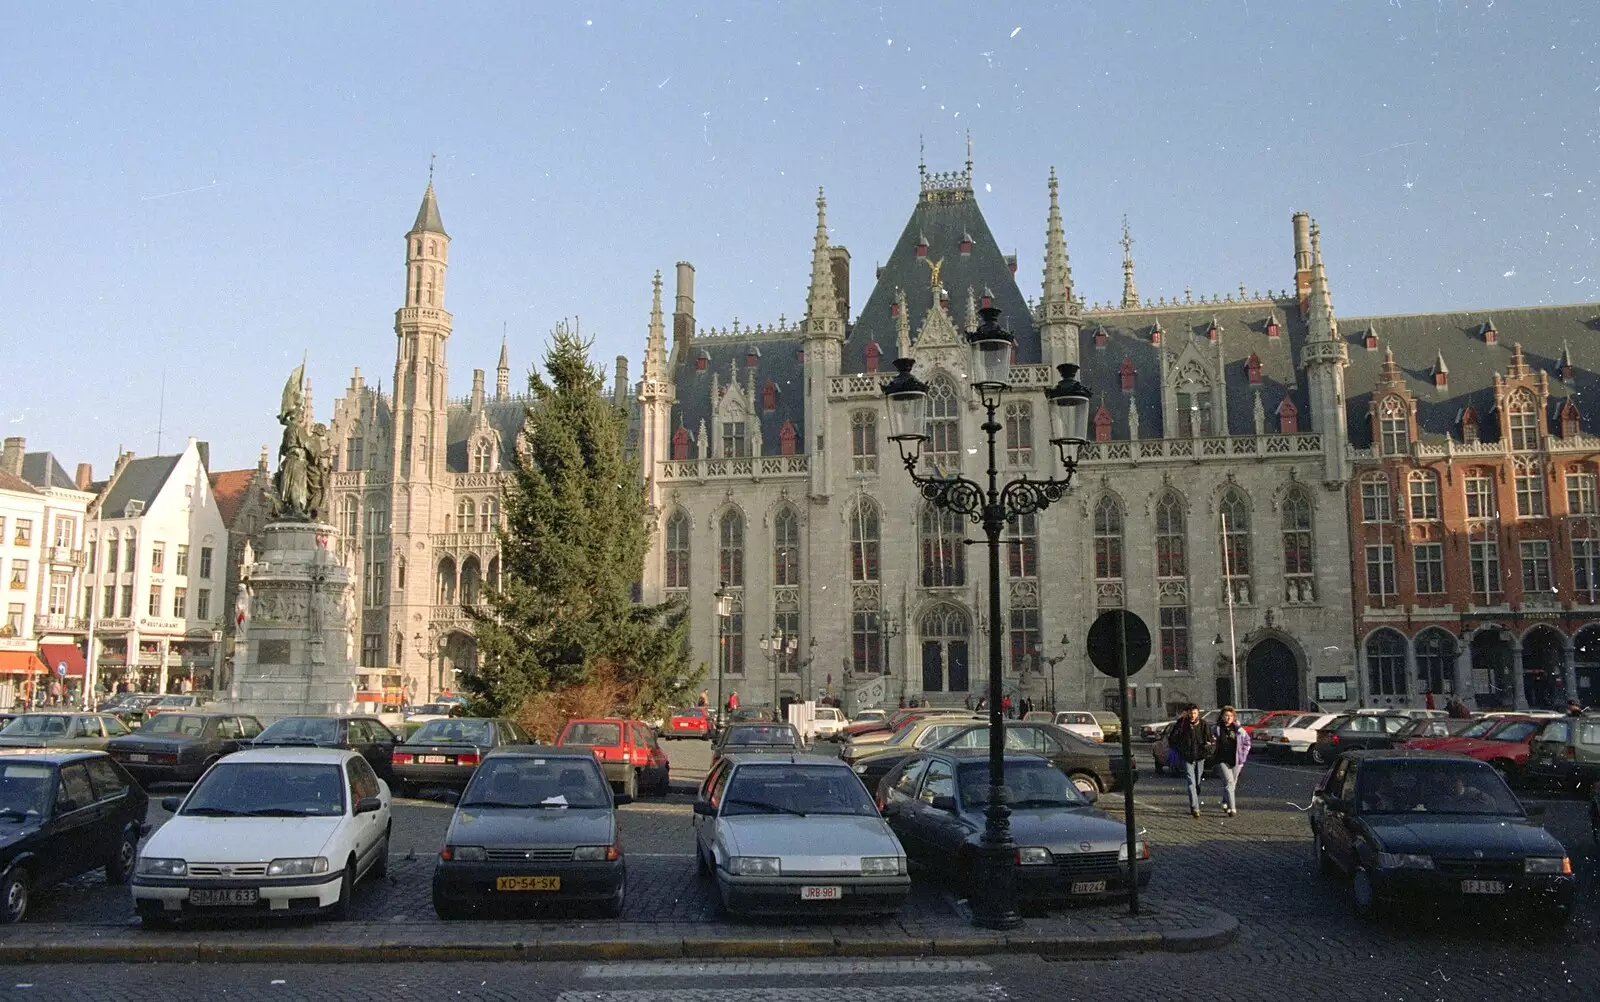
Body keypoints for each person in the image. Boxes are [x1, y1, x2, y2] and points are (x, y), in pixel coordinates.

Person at [1167, 704, 1215, 818]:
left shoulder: (1203, 724)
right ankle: (1195, 808)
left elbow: (1209, 739)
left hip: (1200, 756)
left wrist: (1208, 747)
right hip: (1187, 757)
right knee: (1191, 782)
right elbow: (1172, 738)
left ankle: (1195, 797)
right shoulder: (1182, 724)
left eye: (1195, 713)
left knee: (1197, 782)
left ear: (1198, 713)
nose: (1193, 715)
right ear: (1187, 713)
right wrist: (1180, 750)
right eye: (1190, 713)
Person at [1210, 706, 1252, 817]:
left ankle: (1225, 801)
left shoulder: (1239, 729)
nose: (1229, 718)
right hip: (1222, 759)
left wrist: (1243, 756)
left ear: (1234, 717)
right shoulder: (1216, 729)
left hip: (1236, 760)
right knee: (1229, 783)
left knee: (1232, 784)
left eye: (1231, 716)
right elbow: (1210, 740)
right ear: (1222, 717)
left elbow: (1247, 742)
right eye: (1226, 716)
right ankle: (1232, 808)